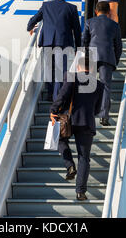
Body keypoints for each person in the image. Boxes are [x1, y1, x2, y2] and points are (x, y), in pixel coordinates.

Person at [50, 55, 104, 201]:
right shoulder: (99, 85)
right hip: (87, 123)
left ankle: (69, 166)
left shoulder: (71, 77)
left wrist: (54, 110)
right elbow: (97, 109)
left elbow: (62, 95)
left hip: (69, 119)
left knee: (60, 140)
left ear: (78, 67)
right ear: (92, 68)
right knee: (84, 158)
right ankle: (80, 192)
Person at [27, 0, 82, 101]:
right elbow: (77, 30)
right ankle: (56, 97)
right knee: (59, 70)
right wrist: (78, 48)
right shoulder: (72, 8)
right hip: (62, 43)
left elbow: (34, 18)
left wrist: (30, 27)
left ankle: (50, 94)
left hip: (47, 41)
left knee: (48, 68)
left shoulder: (46, 6)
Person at [82, 1, 122, 126]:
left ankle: (87, 115)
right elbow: (118, 46)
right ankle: (104, 116)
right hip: (107, 57)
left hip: (92, 56)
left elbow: (84, 41)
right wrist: (115, 60)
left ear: (96, 11)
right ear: (109, 12)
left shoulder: (89, 22)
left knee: (90, 86)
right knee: (105, 87)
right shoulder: (114, 25)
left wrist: (85, 58)